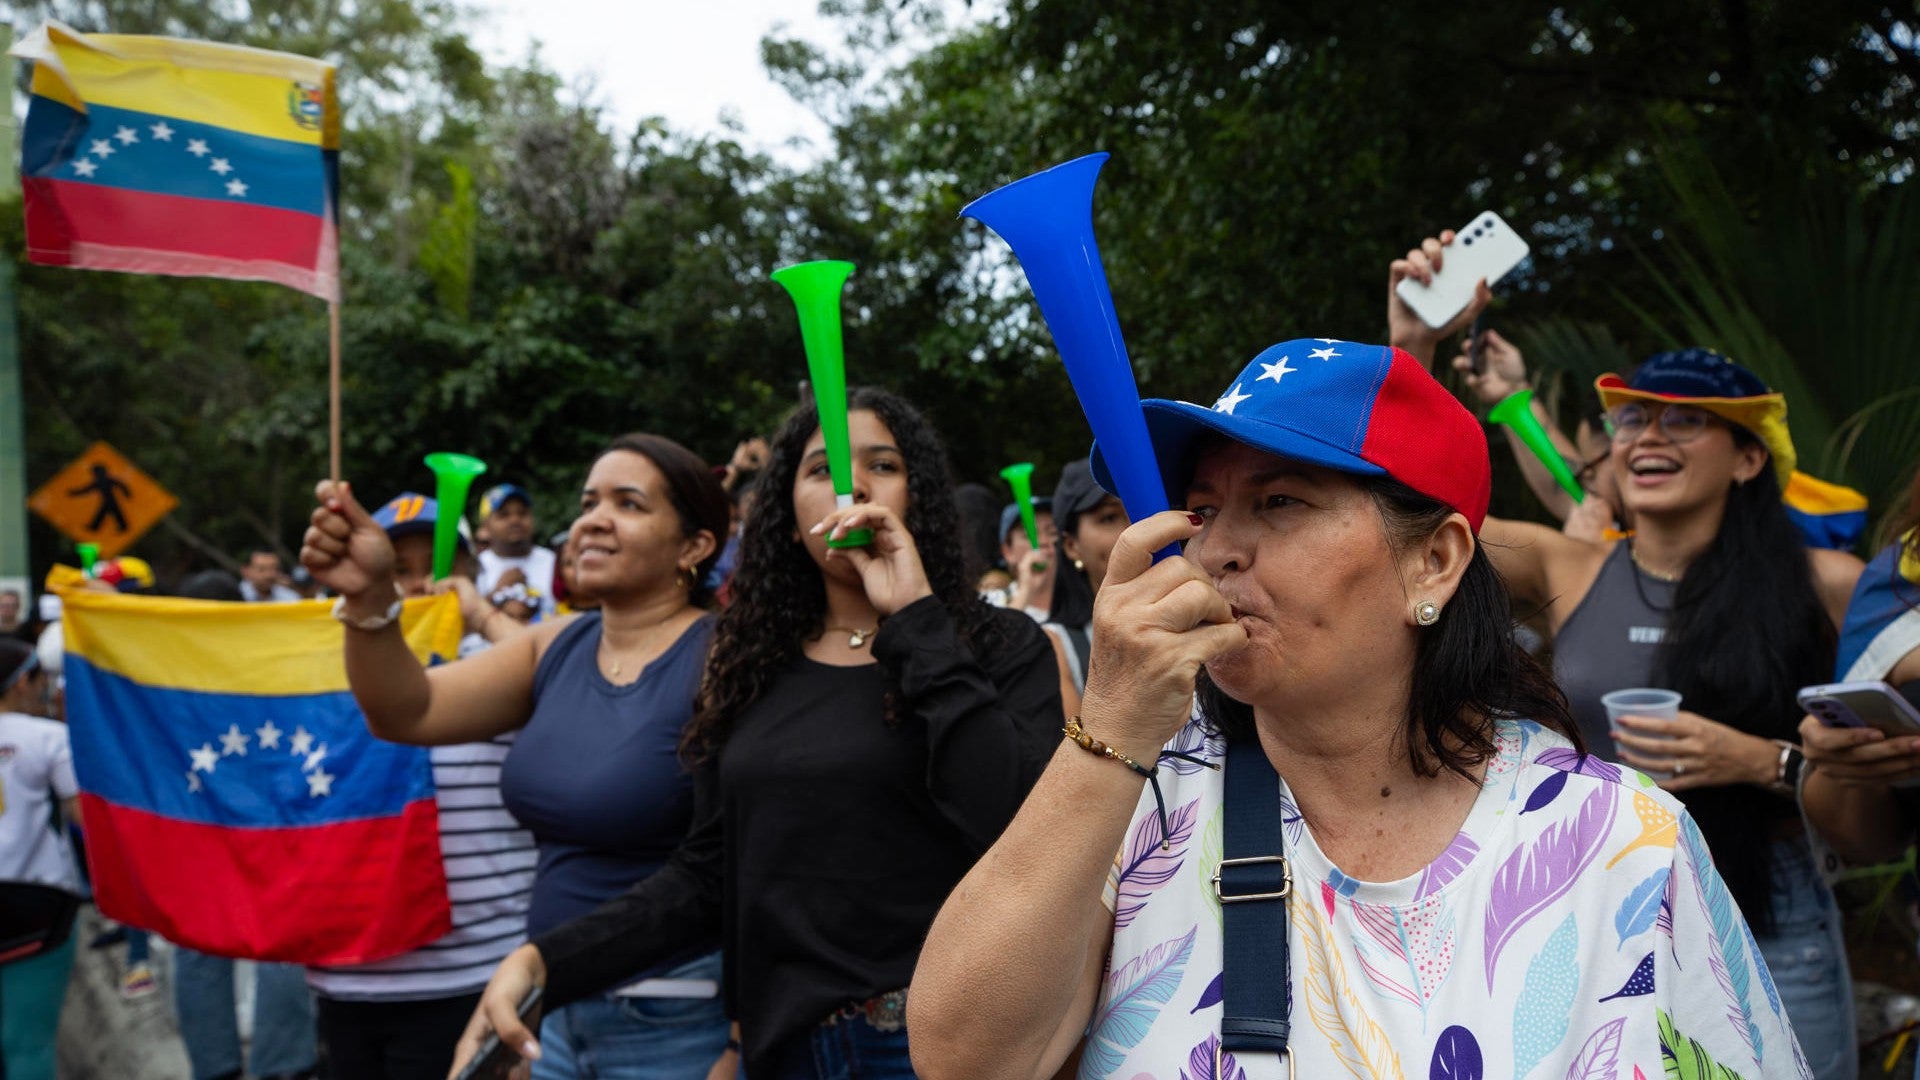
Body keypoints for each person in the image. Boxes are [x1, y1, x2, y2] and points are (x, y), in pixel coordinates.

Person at [907, 338, 1806, 1079]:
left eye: (1281, 502)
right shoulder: (1140, 807)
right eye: (1203, 509)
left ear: (1436, 562)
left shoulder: (1620, 840)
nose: (1216, 548)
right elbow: (960, 1059)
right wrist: (1109, 727)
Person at [454, 387, 1063, 1080]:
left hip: (940, 1047)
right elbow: (711, 876)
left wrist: (916, 621)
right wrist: (544, 963)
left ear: (919, 494)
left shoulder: (997, 645)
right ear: (786, 510)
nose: (850, 484)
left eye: (882, 465)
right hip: (785, 1048)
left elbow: (1028, 835)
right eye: (817, 469)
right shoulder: (751, 664)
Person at [1387, 231, 1861, 1076]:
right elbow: (1413, 514)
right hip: (1599, 898)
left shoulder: (1827, 581)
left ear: (1750, 457)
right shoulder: (1570, 563)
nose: (1649, 435)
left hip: (1773, 912)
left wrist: (1766, 760)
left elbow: (1886, 780)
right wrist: (1412, 349)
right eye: (1634, 416)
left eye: (1687, 420)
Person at [301, 435, 732, 1079]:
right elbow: (406, 710)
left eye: (629, 504)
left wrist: (739, 1047)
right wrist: (369, 601)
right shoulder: (556, 646)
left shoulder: (726, 659)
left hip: (675, 1018)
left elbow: (763, 858)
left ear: (694, 547)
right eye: (588, 502)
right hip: (546, 1008)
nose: (592, 519)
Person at [302, 493, 537, 1080]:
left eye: (435, 567)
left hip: (477, 974)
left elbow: (575, 679)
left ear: (471, 572)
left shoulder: (502, 659)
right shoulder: (317, 670)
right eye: (395, 570)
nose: (416, 585)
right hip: (346, 973)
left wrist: (481, 615)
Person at [166, 570, 321, 1080]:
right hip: (274, 831)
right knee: (279, 943)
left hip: (196, 835)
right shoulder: (273, 664)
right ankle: (286, 1065)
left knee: (198, 947)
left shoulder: (165, 675)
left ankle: (216, 1069)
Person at [0, 639, 81, 1080]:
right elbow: (84, 818)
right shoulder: (50, 738)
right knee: (29, 1043)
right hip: (39, 907)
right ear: (21, 683)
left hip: (37, 906)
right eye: (41, 681)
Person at [1040, 460, 1131, 713]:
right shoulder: (1056, 648)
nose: (1135, 531)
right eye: (1109, 517)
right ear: (1071, 545)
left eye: (1138, 508)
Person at [475, 483, 558, 621]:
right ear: (486, 525)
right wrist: (497, 592)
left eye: (522, 513)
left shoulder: (555, 562)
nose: (515, 520)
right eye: (503, 515)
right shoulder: (475, 567)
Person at [985, 497, 1058, 622]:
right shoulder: (991, 602)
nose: (1044, 542)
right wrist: (1025, 592)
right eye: (1029, 535)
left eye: (1052, 532)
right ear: (1007, 551)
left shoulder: (1087, 597)